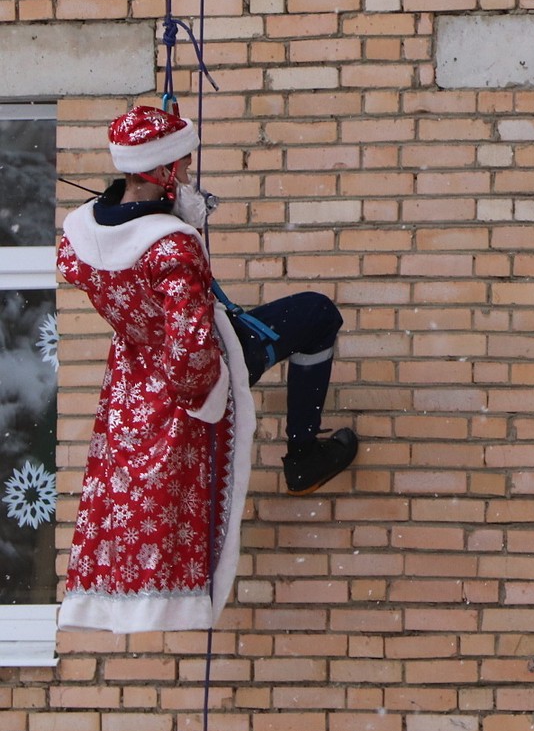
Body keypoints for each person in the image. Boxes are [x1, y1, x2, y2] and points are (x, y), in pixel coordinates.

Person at [56, 105, 357, 632]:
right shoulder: (170, 248)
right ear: (164, 172)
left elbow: (107, 253)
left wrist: (161, 216)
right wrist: (206, 399)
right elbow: (193, 347)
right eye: (185, 167)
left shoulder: (78, 238)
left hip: (133, 374)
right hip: (205, 360)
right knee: (317, 314)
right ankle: (304, 455)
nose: (191, 176)